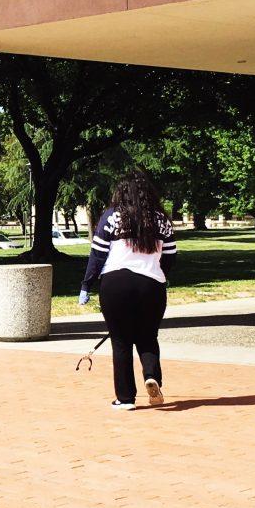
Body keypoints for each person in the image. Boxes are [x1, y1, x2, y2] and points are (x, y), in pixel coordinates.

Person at [78, 169, 177, 411]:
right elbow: (171, 256)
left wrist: (86, 285)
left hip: (116, 285)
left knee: (121, 342)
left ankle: (125, 398)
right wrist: (158, 275)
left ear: (121, 192)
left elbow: (97, 255)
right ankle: (151, 377)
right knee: (148, 337)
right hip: (151, 285)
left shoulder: (111, 216)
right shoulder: (161, 219)